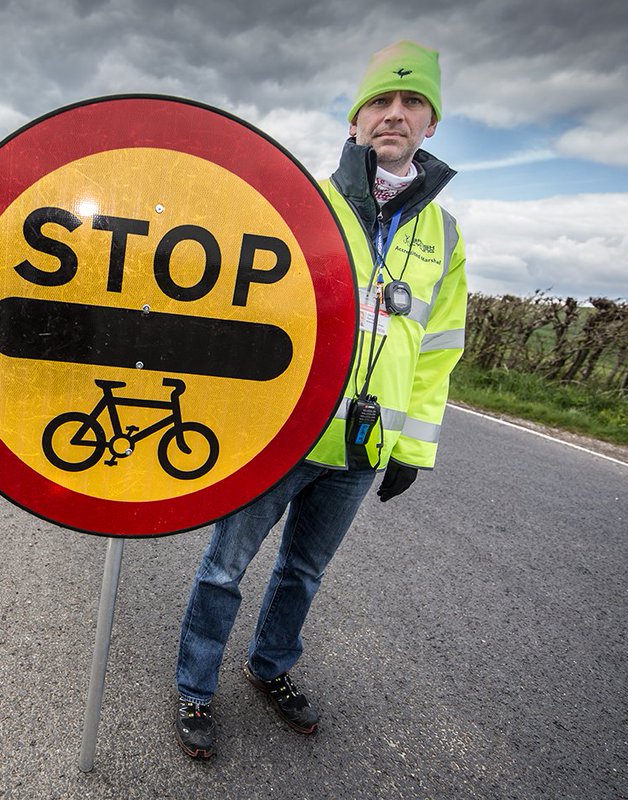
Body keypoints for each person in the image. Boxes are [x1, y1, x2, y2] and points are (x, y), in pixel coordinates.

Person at [174, 40, 468, 759]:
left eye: (411, 103)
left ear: (431, 125)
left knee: (304, 571)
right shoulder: (300, 203)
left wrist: (413, 448)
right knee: (224, 566)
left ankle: (270, 668)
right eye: (380, 102)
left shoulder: (445, 235)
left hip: (363, 447)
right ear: (355, 120)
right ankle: (195, 688)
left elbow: (438, 351)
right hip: (282, 434)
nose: (394, 114)